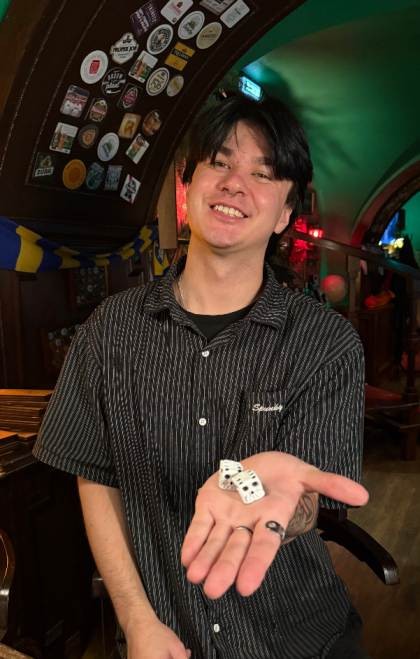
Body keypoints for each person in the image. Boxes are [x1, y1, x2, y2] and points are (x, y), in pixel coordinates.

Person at [33, 95, 369, 659]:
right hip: (164, 634)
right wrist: (136, 620)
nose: (236, 184)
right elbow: (95, 480)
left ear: (285, 213)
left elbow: (305, 500)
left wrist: (271, 497)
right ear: (188, 186)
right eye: (220, 162)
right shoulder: (109, 330)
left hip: (295, 638)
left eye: (263, 174)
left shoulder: (325, 342)